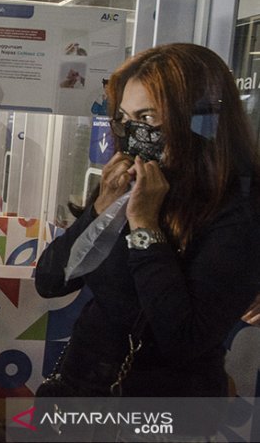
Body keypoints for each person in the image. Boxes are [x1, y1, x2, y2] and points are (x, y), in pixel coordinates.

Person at [34, 43, 260, 433]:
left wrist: (145, 227)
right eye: (124, 118)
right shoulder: (131, 184)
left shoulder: (236, 207)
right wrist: (100, 209)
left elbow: (184, 338)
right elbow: (51, 281)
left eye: (148, 117)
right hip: (79, 393)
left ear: (197, 119)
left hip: (162, 413)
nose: (135, 133)